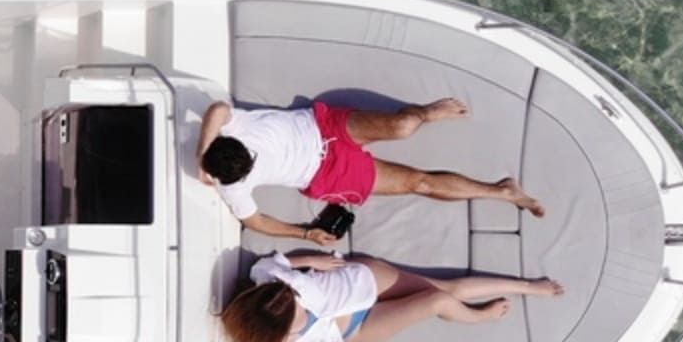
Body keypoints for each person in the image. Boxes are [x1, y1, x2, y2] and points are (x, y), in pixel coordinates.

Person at [196, 97, 544, 245]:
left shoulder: (231, 127)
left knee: (405, 125)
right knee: (419, 183)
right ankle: (503, 191)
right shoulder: (230, 186)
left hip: (324, 126)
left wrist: (201, 154)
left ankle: (424, 112)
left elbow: (218, 109)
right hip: (326, 175)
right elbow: (255, 222)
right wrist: (305, 234)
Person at [220, 251, 564, 342]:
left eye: (294, 299)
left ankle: (526, 286)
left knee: (449, 287)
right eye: (299, 319)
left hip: (363, 281)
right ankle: (479, 316)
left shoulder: (267, 277)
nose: (302, 308)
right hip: (360, 326)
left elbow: (282, 261)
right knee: (438, 300)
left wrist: (314, 260)